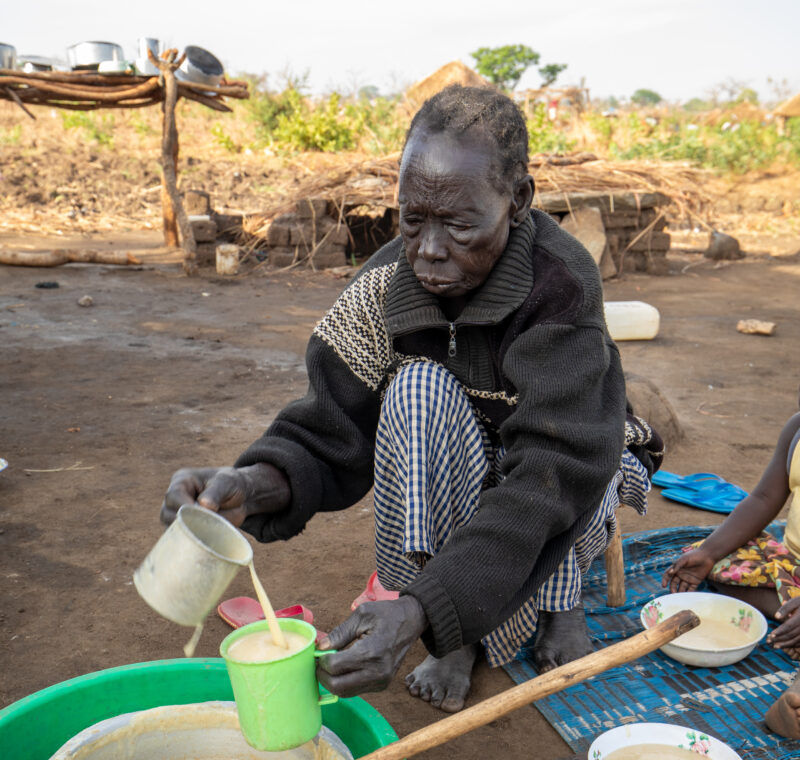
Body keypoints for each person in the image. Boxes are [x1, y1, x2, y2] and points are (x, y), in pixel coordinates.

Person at [162, 85, 661, 711]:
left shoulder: (559, 289)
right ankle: (448, 626)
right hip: (465, 470)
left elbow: (551, 475)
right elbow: (329, 426)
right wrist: (250, 483)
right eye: (412, 218)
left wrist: (425, 606)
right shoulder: (384, 289)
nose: (428, 248)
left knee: (574, 454)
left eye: (458, 225)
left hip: (563, 471)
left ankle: (536, 607)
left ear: (519, 201)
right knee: (415, 388)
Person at [662, 404, 800, 738]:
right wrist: (708, 554)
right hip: (791, 565)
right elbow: (765, 497)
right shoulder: (797, 428)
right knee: (718, 557)